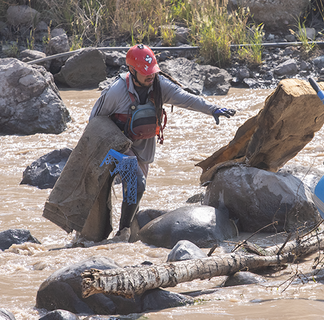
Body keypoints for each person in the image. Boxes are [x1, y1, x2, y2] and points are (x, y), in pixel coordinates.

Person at [89, 44, 235, 237]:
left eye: (152, 71)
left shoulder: (159, 85)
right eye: (144, 72)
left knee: (135, 192)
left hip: (142, 150)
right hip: (115, 147)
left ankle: (129, 234)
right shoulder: (116, 92)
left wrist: (212, 108)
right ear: (131, 71)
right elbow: (94, 122)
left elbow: (186, 98)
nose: (150, 76)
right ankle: (122, 233)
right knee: (137, 182)